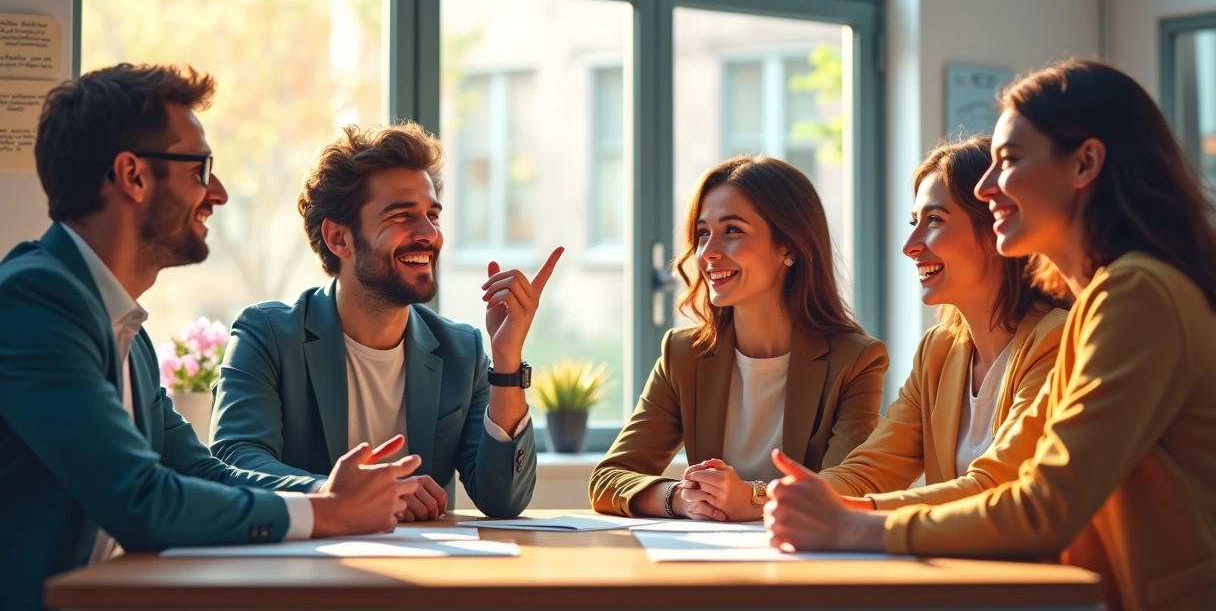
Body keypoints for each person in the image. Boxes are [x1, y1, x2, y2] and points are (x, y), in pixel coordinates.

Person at [764, 60, 1216, 610]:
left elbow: (1041, 505)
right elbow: (1016, 467)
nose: (987, 187)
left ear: (1086, 163)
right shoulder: (1106, 301)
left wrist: (851, 528)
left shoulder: (1136, 294)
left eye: (1009, 161)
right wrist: (828, 511)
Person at [0, 64, 422, 611]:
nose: (217, 193)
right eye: (200, 170)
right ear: (132, 176)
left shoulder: (124, 328)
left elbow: (199, 470)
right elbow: (142, 499)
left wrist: (327, 492)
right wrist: (330, 513)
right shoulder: (37, 300)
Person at [210, 123, 555, 520]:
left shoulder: (463, 350)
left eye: (432, 215)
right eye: (402, 216)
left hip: (426, 572)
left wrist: (507, 360)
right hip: (307, 570)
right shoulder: (267, 335)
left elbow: (504, 500)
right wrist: (340, 494)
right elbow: (235, 463)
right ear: (339, 238)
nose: (430, 234)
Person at [590, 156, 888, 522]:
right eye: (703, 233)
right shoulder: (683, 354)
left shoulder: (856, 361)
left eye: (732, 230)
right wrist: (683, 498)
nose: (708, 252)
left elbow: (846, 488)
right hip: (711, 563)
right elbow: (608, 479)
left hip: (807, 563)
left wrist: (751, 498)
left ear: (789, 247)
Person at [817, 137, 1069, 509]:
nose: (910, 245)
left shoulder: (1058, 338)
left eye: (934, 220)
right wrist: (766, 496)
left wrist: (863, 512)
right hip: (960, 562)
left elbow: (997, 486)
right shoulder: (939, 350)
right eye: (914, 221)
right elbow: (869, 470)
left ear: (996, 228)